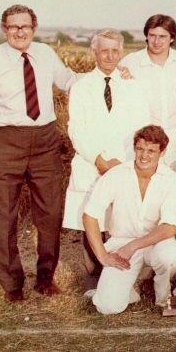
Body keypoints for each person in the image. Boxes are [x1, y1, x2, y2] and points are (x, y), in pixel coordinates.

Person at [0, 4, 77, 301]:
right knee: (4, 216)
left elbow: (69, 81)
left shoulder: (45, 53)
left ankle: (46, 278)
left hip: (45, 140)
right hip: (5, 140)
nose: (19, 32)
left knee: (50, 212)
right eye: (13, 27)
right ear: (4, 29)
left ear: (34, 28)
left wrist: (106, 76)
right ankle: (12, 284)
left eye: (25, 26)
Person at [63, 29, 150, 294]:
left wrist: (124, 162)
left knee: (122, 220)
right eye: (104, 50)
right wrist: (99, 159)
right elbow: (76, 129)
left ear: (121, 52)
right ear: (94, 52)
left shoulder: (133, 86)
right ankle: (94, 275)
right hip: (92, 164)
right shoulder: (81, 87)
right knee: (92, 219)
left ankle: (124, 274)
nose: (109, 56)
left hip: (124, 163)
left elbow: (142, 126)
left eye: (115, 50)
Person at [82, 125, 176, 315]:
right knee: (107, 307)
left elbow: (170, 226)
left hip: (156, 241)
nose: (144, 156)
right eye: (140, 149)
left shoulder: (171, 178)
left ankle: (163, 295)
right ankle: (128, 288)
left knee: (169, 257)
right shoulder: (116, 174)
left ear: (163, 152)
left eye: (151, 151)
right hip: (122, 244)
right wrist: (102, 255)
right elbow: (89, 215)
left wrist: (134, 245)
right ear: (134, 148)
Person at [120, 14, 176, 175]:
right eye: (152, 35)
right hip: (142, 139)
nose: (156, 41)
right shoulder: (130, 62)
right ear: (146, 36)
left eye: (162, 36)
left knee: (175, 188)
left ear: (172, 38)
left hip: (175, 138)